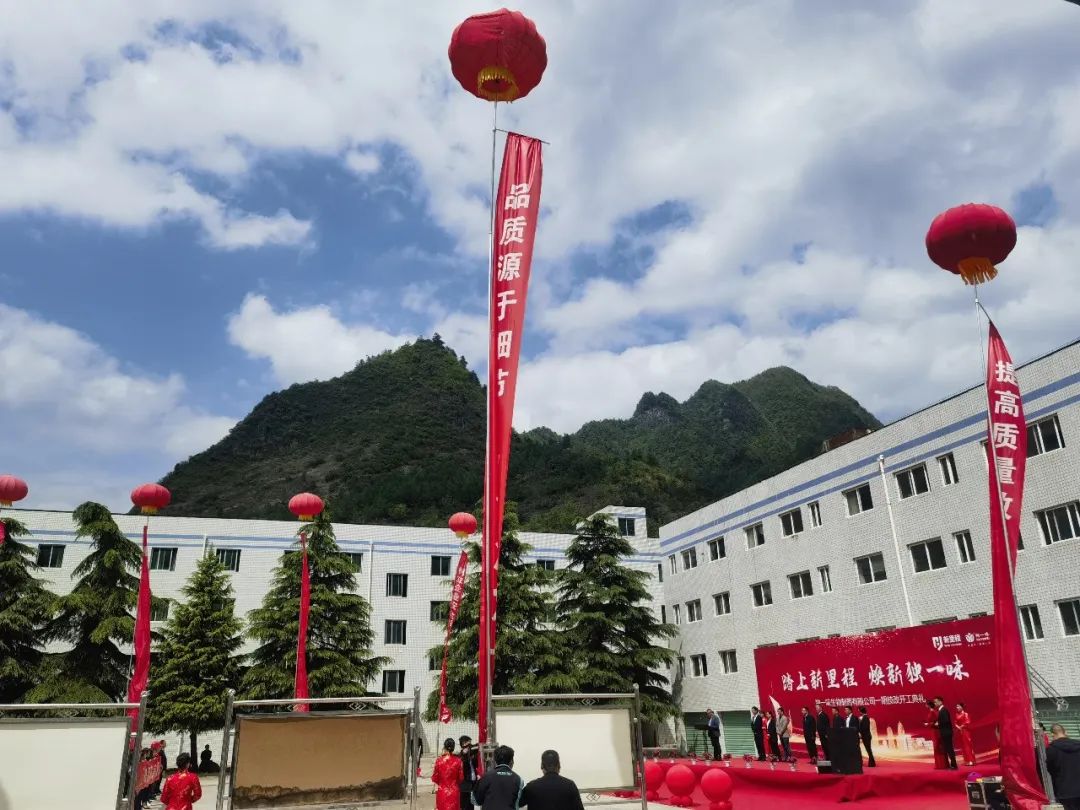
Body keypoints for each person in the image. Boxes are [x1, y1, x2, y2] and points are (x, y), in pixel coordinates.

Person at [521, 750, 585, 810]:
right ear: (559, 766)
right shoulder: (570, 785)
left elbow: (518, 803)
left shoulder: (531, 787)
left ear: (542, 766)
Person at [472, 745, 524, 810]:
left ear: (495, 761)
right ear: (511, 761)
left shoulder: (486, 777)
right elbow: (517, 804)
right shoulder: (518, 779)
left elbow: (475, 801)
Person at [1046, 724, 1080, 810]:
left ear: (1052, 734)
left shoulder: (1051, 749)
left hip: (1065, 790)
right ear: (1065, 732)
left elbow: (1050, 769)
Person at [433, 738, 465, 810]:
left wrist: (443, 783)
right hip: (454, 791)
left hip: (442, 791)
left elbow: (435, 778)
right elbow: (461, 778)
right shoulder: (458, 761)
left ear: (444, 747)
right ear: (453, 748)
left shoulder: (439, 761)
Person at [933, 697, 958, 770]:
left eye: (936, 702)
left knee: (949, 749)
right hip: (945, 732)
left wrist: (938, 723)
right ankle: (952, 764)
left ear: (940, 702)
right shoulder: (941, 710)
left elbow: (946, 720)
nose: (935, 703)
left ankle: (954, 765)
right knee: (947, 749)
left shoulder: (944, 710)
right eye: (934, 702)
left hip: (946, 732)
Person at [459, 735, 479, 810]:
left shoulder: (472, 752)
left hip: (473, 781)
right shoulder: (461, 755)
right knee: (465, 804)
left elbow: (478, 746)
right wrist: (464, 754)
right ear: (463, 744)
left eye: (470, 743)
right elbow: (461, 760)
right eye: (468, 743)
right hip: (465, 782)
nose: (470, 746)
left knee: (471, 804)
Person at [925, 700, 946, 769]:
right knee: (936, 747)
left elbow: (938, 721)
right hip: (933, 730)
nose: (925, 705)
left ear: (929, 705)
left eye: (926, 704)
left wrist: (929, 724)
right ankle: (939, 764)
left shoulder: (933, 711)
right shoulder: (932, 711)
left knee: (938, 746)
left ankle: (941, 764)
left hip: (936, 731)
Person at [954, 703, 976, 767]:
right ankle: (966, 760)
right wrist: (958, 727)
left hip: (965, 731)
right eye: (956, 706)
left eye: (958, 706)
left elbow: (968, 722)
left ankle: (971, 760)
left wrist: (961, 726)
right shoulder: (956, 714)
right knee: (963, 746)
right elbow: (955, 722)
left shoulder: (965, 714)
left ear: (962, 707)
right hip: (960, 731)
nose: (957, 707)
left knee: (968, 745)